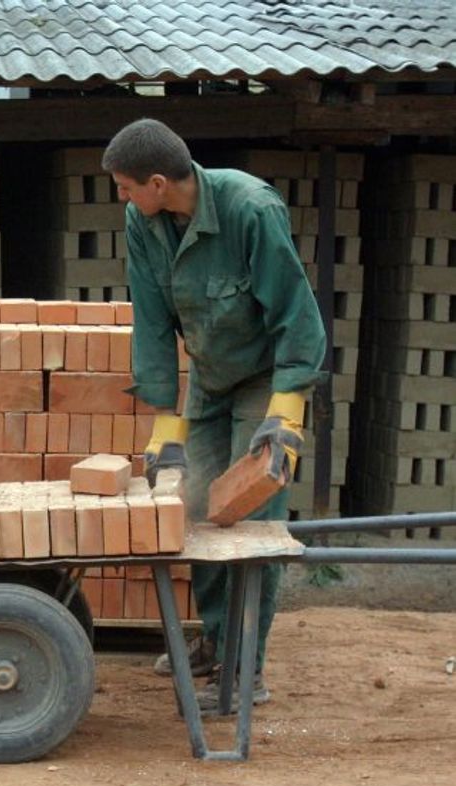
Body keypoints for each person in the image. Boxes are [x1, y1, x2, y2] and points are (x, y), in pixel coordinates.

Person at [101, 118, 326, 712]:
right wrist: (163, 426)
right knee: (194, 504)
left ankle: (246, 668)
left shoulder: (249, 209)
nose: (119, 198)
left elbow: (296, 315)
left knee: (249, 522)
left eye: (125, 187)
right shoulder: (143, 223)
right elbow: (150, 319)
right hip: (210, 375)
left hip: (264, 375)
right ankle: (216, 638)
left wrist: (286, 416)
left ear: (157, 181)